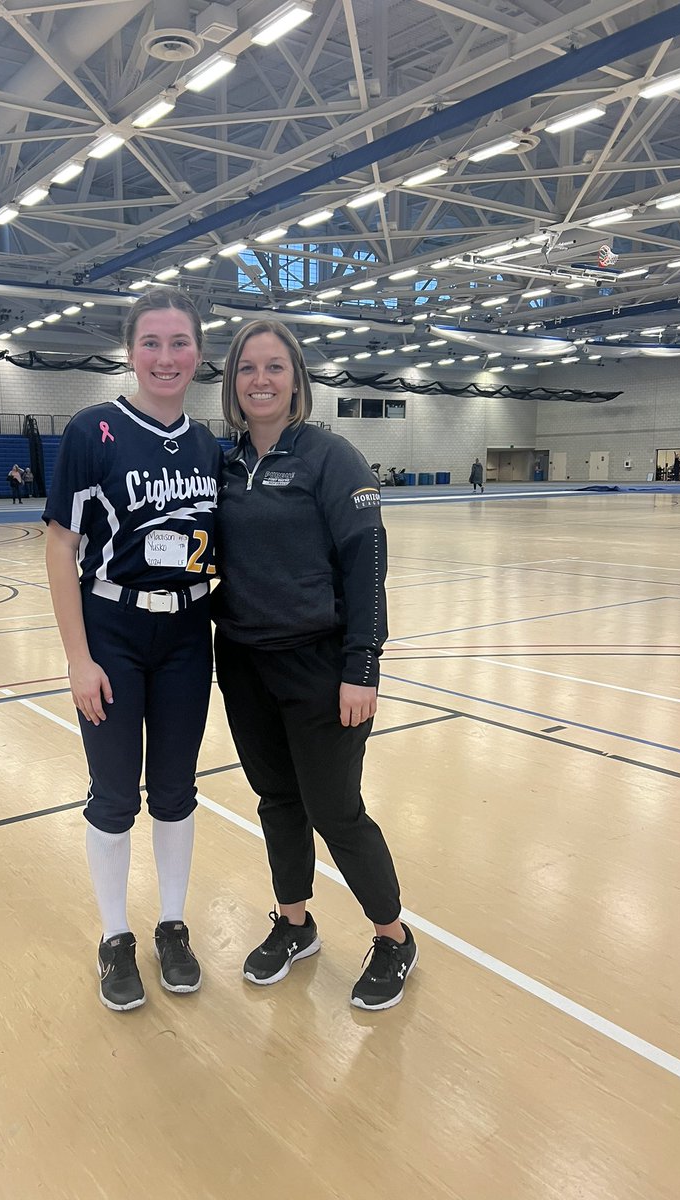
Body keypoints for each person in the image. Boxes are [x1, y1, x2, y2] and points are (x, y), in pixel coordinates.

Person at [212, 319, 417, 1012]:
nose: (261, 380)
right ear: (232, 384)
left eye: (275, 367)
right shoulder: (224, 466)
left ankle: (393, 936)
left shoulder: (333, 459)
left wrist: (363, 664)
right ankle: (294, 924)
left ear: (297, 380)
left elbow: (368, 562)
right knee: (278, 801)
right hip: (243, 665)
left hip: (321, 667)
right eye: (248, 369)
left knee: (336, 809)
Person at [43, 288, 221, 1013]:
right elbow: (60, 548)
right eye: (152, 342)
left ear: (198, 353)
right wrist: (78, 659)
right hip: (112, 633)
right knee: (114, 796)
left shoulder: (210, 445)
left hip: (187, 636)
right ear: (130, 352)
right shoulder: (94, 431)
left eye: (179, 343)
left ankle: (171, 926)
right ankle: (115, 936)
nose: (166, 357)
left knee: (175, 792)